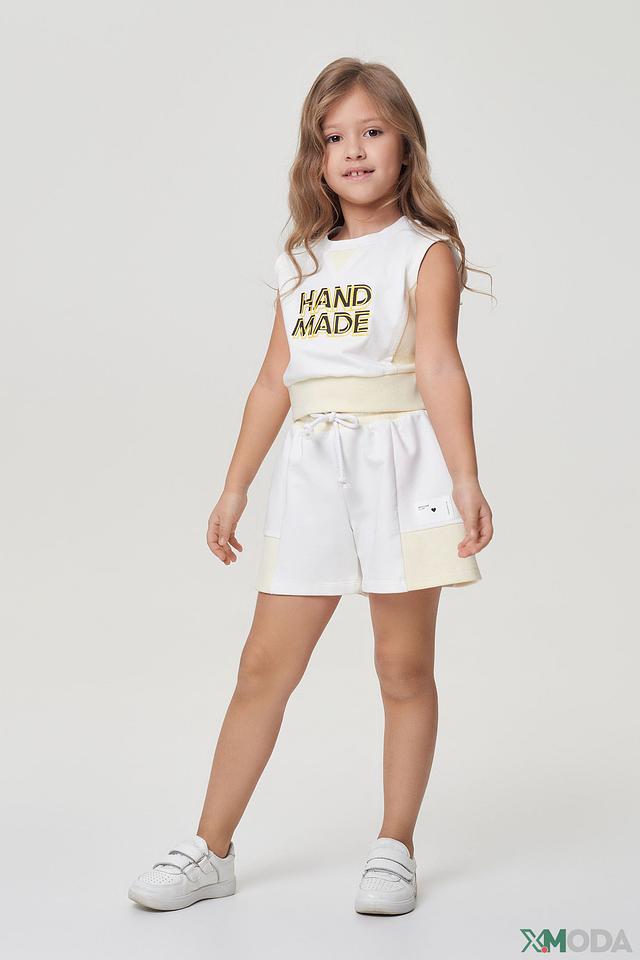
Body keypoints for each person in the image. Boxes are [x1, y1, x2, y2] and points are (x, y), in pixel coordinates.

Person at [128, 56, 494, 917]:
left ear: (405, 145)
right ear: (316, 157)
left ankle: (394, 846)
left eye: (372, 131)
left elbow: (440, 366)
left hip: (403, 469)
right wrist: (234, 487)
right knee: (264, 665)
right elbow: (272, 383)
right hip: (313, 473)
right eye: (335, 137)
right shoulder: (301, 262)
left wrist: (467, 478)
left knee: (402, 665)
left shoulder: (425, 253)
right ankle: (210, 848)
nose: (354, 150)